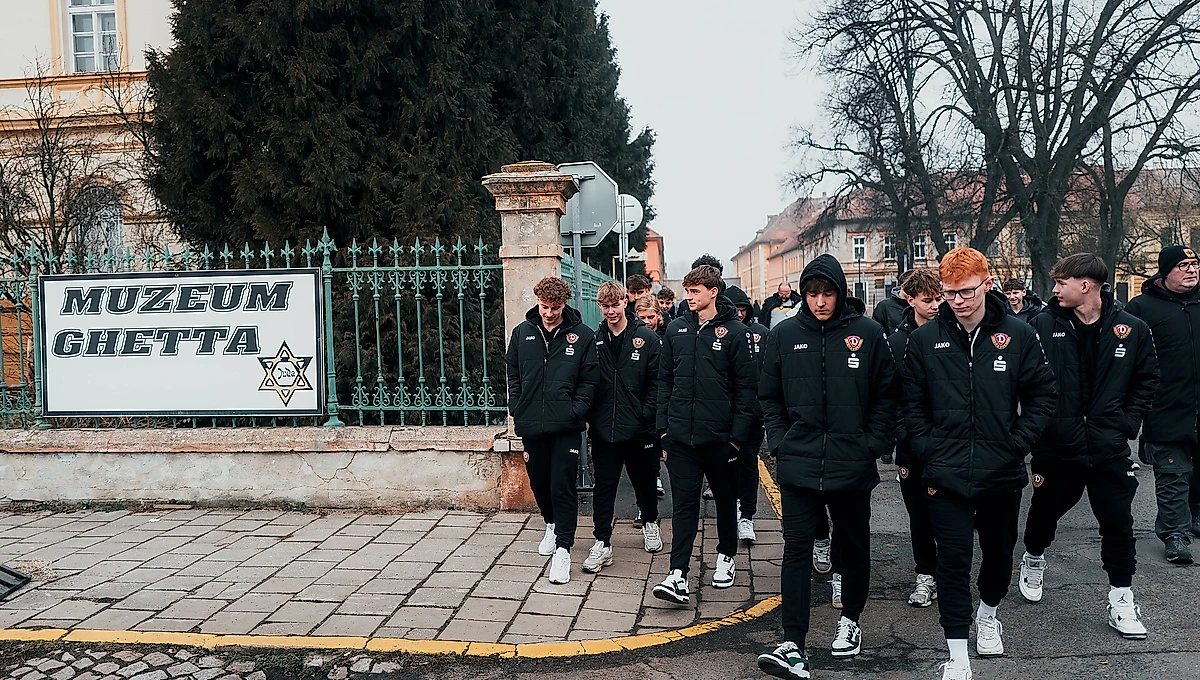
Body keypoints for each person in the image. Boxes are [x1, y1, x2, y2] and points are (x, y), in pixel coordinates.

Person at [903, 248, 1056, 680]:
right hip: (944, 472)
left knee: (997, 557)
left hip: (1000, 472)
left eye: (967, 291)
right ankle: (956, 651)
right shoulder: (924, 340)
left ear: (987, 285)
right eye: (950, 293)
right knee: (951, 562)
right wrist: (927, 447)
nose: (959, 300)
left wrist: (1017, 444)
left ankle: (988, 613)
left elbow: (1043, 395)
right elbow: (910, 404)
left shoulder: (1018, 334)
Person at [755, 254, 897, 678]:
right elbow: (769, 397)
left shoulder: (867, 334)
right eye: (813, 294)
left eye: (828, 293)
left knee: (852, 548)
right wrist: (779, 441)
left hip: (850, 466)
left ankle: (850, 620)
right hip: (798, 464)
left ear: (841, 293)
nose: (820, 302)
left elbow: (888, 395)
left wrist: (870, 444)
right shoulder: (783, 335)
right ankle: (792, 642)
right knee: (796, 551)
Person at [1020, 254, 1158, 639]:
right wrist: (1040, 426)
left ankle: (1122, 597)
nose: (1054, 290)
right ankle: (1033, 557)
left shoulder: (1132, 329)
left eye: (1061, 282)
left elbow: (1146, 379)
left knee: (1118, 523)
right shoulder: (1041, 326)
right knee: (1044, 514)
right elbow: (1025, 382)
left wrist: (1126, 423)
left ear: (1086, 285)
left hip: (1107, 448)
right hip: (1056, 446)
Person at [652, 265, 758, 605]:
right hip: (681, 438)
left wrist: (736, 438)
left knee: (726, 501)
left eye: (695, 291)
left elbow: (747, 389)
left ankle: (726, 556)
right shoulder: (676, 329)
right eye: (687, 291)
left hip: (721, 439)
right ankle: (677, 573)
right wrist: (663, 430)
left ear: (713, 292)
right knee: (684, 504)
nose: (689, 297)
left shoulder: (736, 333)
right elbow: (664, 380)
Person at [504, 277, 599, 585]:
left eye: (555, 308)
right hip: (531, 422)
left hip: (566, 426)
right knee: (539, 480)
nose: (548, 313)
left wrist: (576, 410)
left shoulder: (582, 336)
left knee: (563, 484)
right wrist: (516, 404)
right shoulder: (522, 333)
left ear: (564, 305)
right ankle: (551, 523)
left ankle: (563, 549)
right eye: (544, 307)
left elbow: (590, 381)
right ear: (538, 302)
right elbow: (513, 371)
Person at [1125, 245, 1200, 564]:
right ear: (1165, 271)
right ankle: (1174, 534)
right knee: (1174, 473)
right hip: (1167, 407)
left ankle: (1195, 518)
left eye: (1195, 263)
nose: (1192, 269)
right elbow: (1127, 359)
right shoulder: (1141, 307)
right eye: (1183, 265)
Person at [585, 282, 664, 573]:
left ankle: (651, 522)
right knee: (604, 487)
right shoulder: (594, 340)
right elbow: (589, 382)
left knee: (644, 483)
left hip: (639, 430)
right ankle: (602, 541)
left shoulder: (646, 338)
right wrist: (594, 416)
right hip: (605, 430)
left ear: (624, 303)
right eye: (605, 307)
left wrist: (645, 415)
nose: (610, 311)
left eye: (615, 305)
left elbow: (658, 383)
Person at [886, 267, 944, 608]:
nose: (936, 305)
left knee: (950, 513)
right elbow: (890, 396)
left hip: (948, 440)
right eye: (928, 300)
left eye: (939, 299)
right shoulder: (896, 342)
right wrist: (902, 434)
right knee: (919, 514)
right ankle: (925, 573)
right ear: (910, 300)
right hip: (911, 445)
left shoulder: (952, 333)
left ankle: (948, 573)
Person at [726, 285, 771, 542]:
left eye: (743, 309)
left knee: (748, 464)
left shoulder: (761, 334)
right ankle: (730, 510)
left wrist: (762, 409)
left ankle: (747, 516)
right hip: (725, 416)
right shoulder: (718, 334)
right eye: (735, 309)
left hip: (753, 415)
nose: (739, 314)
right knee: (727, 466)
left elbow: (768, 373)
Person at [635, 295, 668, 500]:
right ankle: (652, 478)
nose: (647, 321)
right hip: (643, 397)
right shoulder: (635, 336)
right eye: (642, 317)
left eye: (650, 316)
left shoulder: (668, 335)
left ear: (659, 315)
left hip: (664, 394)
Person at [872, 270, 913, 335]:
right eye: (911, 287)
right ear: (902, 286)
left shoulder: (920, 305)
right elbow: (876, 332)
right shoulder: (884, 306)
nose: (913, 290)